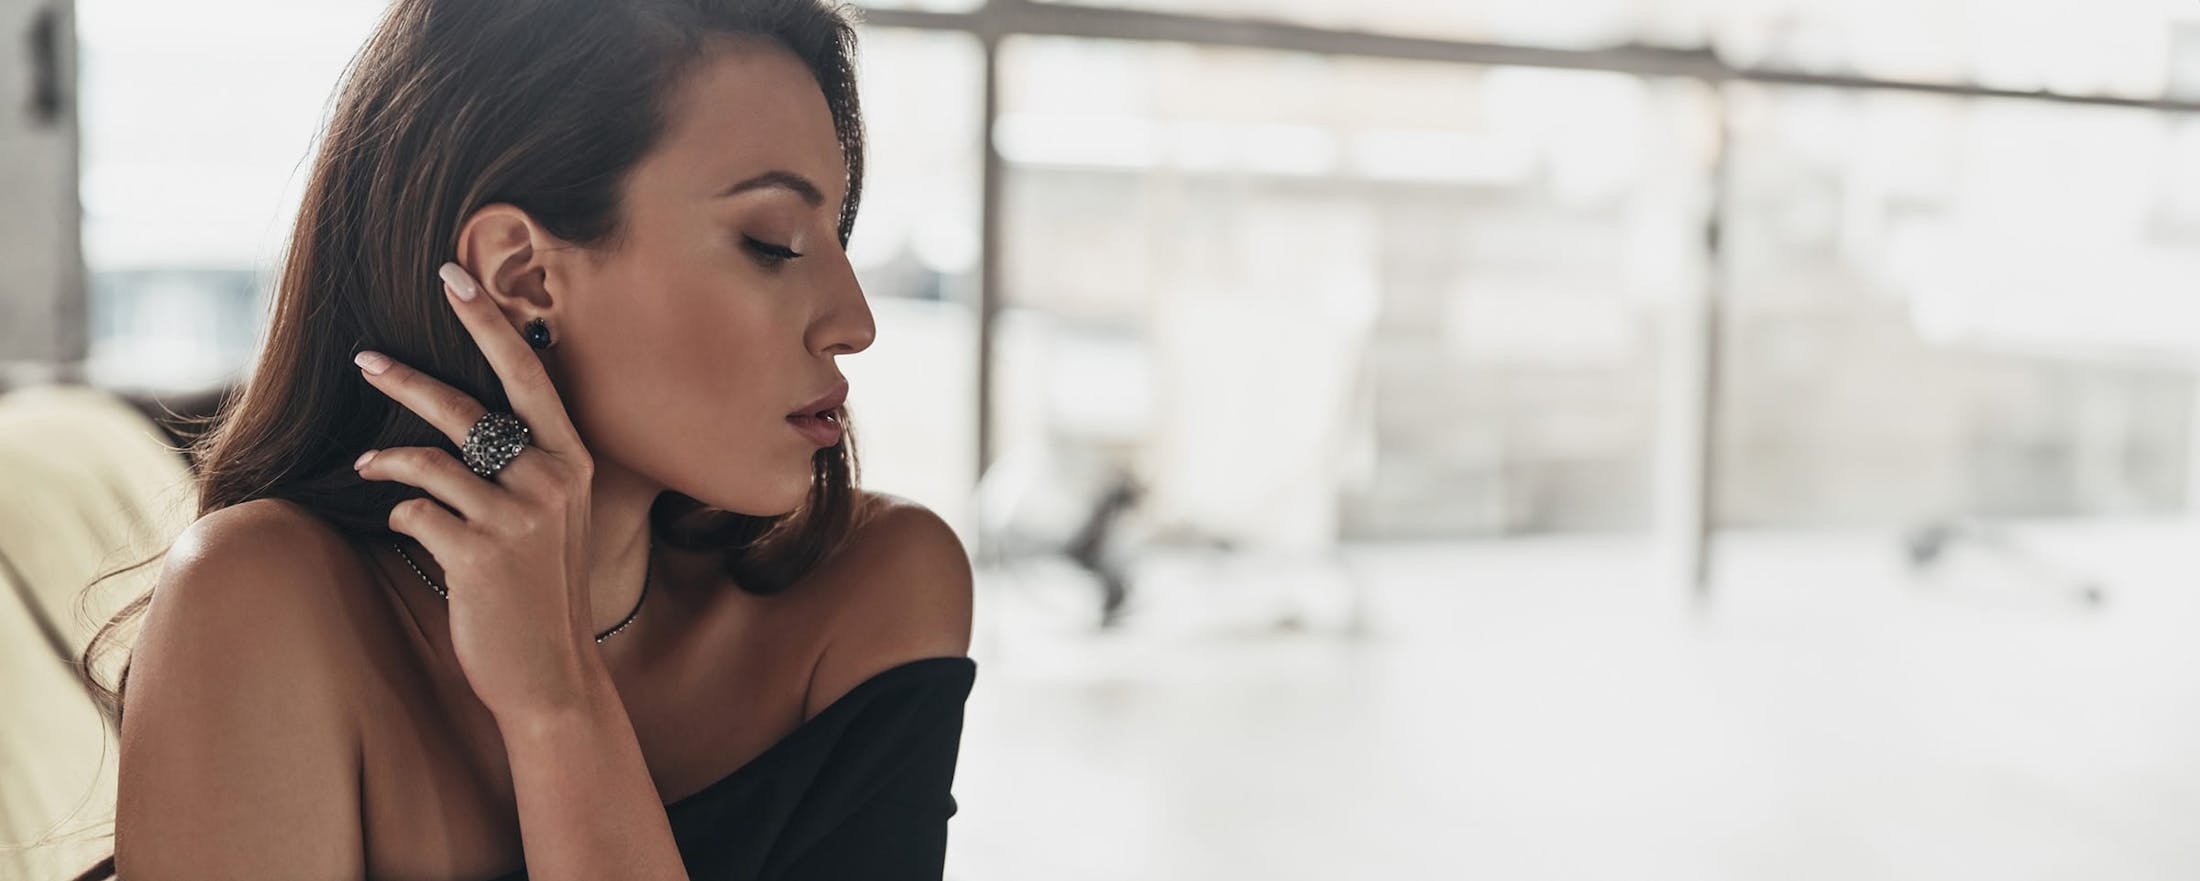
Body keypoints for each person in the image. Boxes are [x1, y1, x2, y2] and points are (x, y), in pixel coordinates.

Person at [65, 1, 976, 878]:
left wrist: (558, 699)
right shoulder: (261, 607)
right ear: (522, 275)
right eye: (774, 242)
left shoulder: (876, 592)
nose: (854, 321)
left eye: (839, 234)